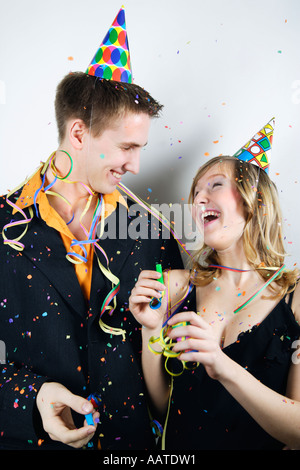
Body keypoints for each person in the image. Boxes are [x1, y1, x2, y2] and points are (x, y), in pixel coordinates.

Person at [0, 9, 183, 450]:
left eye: (141, 149)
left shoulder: (150, 228)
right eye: (126, 147)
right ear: (78, 133)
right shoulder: (4, 226)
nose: (136, 165)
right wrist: (33, 397)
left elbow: (178, 360)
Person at [129, 154, 300, 450]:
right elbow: (163, 407)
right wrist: (150, 330)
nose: (199, 200)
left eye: (215, 185)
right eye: (196, 193)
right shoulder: (176, 286)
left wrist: (222, 365)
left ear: (254, 200)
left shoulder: (294, 297)